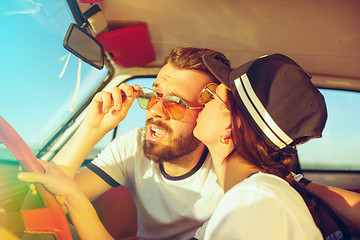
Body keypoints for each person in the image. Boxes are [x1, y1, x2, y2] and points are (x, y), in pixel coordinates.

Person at [17, 48, 360, 239]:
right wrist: (91, 128)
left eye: (179, 103)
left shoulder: (251, 202)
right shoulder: (244, 199)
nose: (154, 110)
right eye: (154, 95)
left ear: (229, 129)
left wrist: (78, 203)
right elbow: (46, 200)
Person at [193, 53, 352, 239]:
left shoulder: (253, 203)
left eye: (211, 96)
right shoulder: (253, 198)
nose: (201, 102)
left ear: (232, 126)